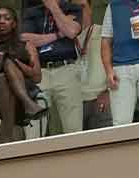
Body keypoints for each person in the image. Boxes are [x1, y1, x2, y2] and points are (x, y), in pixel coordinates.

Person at [0, 5, 45, 144]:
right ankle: (29, 106)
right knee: (2, 78)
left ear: (14, 24)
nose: (2, 21)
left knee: (8, 63)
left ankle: (7, 136)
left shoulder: (27, 46)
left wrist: (14, 62)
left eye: (7, 19)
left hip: (25, 90)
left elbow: (37, 77)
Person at [22, 0, 88, 135]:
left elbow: (71, 31)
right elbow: (24, 39)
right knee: (34, 126)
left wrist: (53, 7)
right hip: (41, 72)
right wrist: (58, 35)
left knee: (73, 127)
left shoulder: (72, 8)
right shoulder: (32, 12)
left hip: (66, 69)